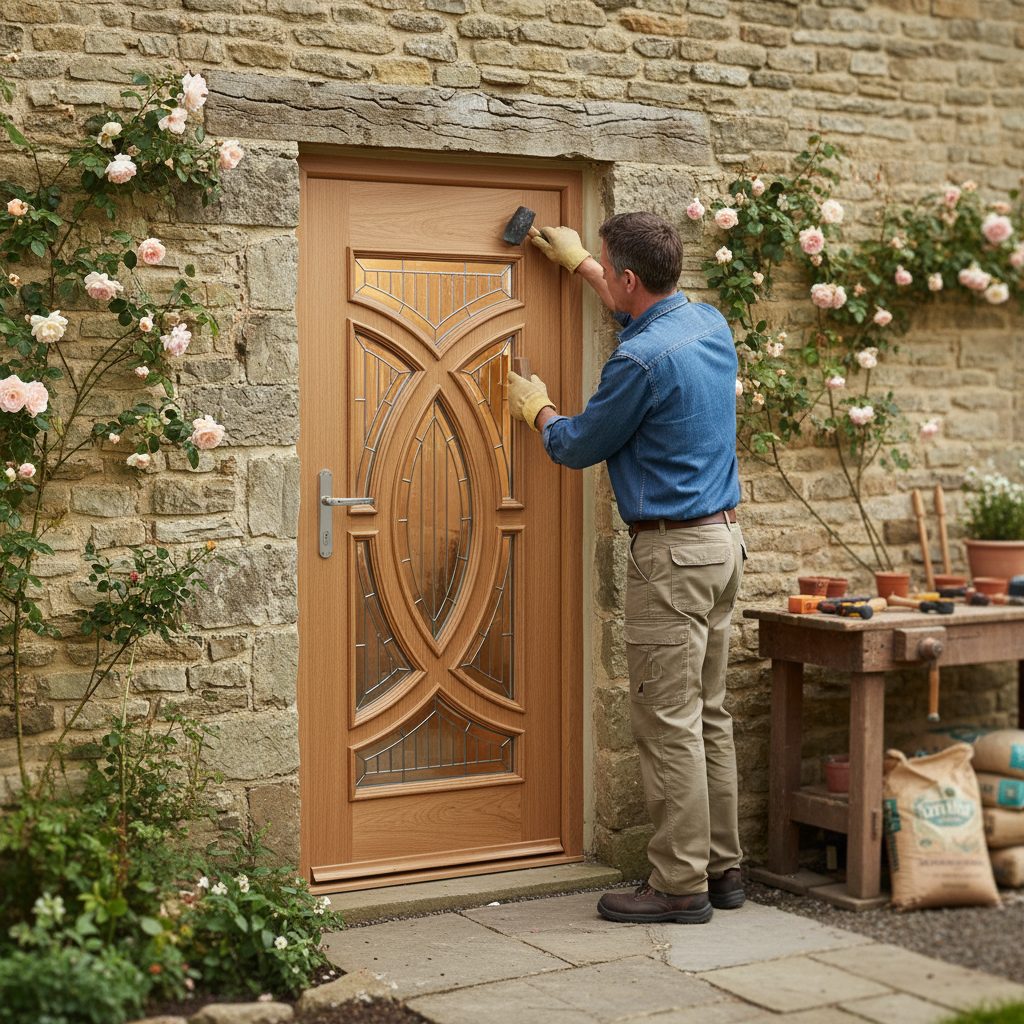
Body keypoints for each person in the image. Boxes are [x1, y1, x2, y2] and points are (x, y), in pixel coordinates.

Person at [506, 212, 746, 925]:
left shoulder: (637, 363)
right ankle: (724, 870)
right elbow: (648, 325)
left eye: (610, 267)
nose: (603, 274)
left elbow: (579, 445)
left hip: (672, 558)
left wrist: (537, 408)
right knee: (708, 716)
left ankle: (679, 886)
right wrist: (584, 266)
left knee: (668, 724)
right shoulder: (710, 325)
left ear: (632, 278)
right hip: (724, 547)